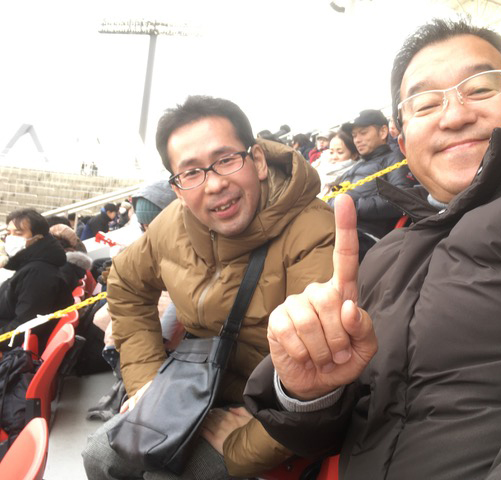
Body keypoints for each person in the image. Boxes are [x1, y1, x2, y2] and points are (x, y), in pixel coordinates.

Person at [244, 18, 501, 479]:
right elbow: (337, 431)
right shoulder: (388, 254)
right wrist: (310, 391)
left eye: (480, 89)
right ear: (403, 138)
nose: (454, 116)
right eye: (426, 103)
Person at [82, 96, 336, 479]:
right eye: (191, 173)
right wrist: (146, 381)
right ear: (177, 188)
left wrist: (252, 439)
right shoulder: (172, 224)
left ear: (258, 161)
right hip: (197, 384)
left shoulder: (315, 232)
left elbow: (322, 372)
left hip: (275, 406)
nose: (215, 184)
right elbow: (126, 282)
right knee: (100, 456)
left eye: (226, 160)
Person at [330, 109, 415, 261]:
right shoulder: (357, 165)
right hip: (337, 226)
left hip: (367, 235)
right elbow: (336, 191)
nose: (357, 140)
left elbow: (403, 199)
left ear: (383, 132)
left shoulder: (394, 159)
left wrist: (352, 207)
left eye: (363, 133)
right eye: (354, 135)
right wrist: (332, 201)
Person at [0, 209, 74, 353]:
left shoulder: (39, 273)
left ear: (37, 237)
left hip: (13, 348)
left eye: (19, 234)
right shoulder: (31, 264)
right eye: (9, 233)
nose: (11, 238)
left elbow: (25, 324)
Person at [313, 129, 358, 197]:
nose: (334, 157)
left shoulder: (355, 177)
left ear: (354, 155)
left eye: (340, 152)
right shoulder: (321, 169)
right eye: (331, 152)